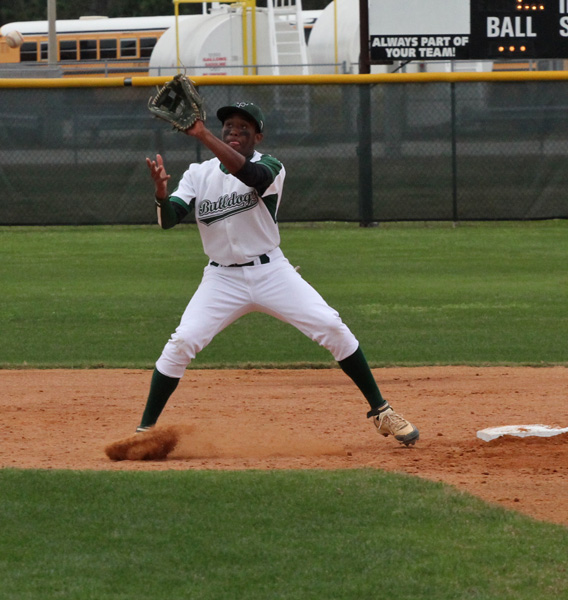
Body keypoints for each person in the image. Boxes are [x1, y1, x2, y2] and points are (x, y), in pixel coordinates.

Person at [139, 100, 418, 446]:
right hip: (221, 279)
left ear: (258, 135)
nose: (234, 131)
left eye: (244, 127)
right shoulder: (198, 174)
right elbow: (169, 220)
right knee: (181, 343)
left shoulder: (270, 165)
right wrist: (161, 194)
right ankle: (144, 431)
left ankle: (382, 412)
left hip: (271, 272)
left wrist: (203, 134)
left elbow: (250, 176)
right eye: (229, 126)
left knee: (332, 326)